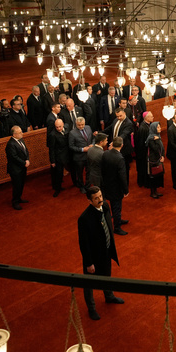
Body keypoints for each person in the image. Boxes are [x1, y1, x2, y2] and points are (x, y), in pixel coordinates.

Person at [76, 186, 124, 320]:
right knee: (89, 284)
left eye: (101, 196)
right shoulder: (84, 219)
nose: (100, 200)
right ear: (89, 201)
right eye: (96, 198)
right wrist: (89, 263)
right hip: (93, 257)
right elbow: (83, 243)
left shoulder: (106, 206)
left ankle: (109, 296)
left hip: (106, 251)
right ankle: (91, 308)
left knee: (107, 275)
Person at [102, 137, 129, 235]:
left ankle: (118, 219)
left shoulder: (105, 153)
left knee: (114, 205)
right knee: (117, 207)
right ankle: (117, 227)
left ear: (112, 144)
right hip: (116, 187)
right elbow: (122, 176)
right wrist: (126, 190)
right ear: (122, 145)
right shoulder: (120, 158)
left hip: (107, 184)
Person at [5, 126, 30, 211]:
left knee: (21, 184)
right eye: (20, 132)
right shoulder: (10, 144)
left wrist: (27, 159)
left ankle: (19, 198)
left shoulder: (21, 140)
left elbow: (26, 150)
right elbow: (14, 157)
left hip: (22, 167)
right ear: (14, 134)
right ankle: (15, 201)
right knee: (17, 186)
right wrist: (24, 163)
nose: (22, 133)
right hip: (15, 169)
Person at [68, 116, 94, 193]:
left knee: (89, 171)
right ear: (76, 124)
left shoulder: (88, 128)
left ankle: (88, 186)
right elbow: (71, 146)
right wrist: (82, 149)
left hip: (89, 155)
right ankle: (81, 186)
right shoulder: (72, 133)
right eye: (79, 125)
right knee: (79, 173)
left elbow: (93, 138)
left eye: (82, 124)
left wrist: (92, 144)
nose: (81, 126)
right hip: (79, 157)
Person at [47, 118, 70, 197]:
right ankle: (57, 189)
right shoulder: (53, 135)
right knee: (58, 174)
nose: (59, 129)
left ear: (63, 125)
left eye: (60, 127)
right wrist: (52, 161)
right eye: (57, 127)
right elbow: (51, 149)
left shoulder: (67, 127)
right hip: (58, 157)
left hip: (67, 154)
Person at [146, 121, 165, 199]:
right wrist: (157, 140)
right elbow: (155, 149)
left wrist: (162, 156)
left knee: (157, 176)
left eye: (160, 127)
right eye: (157, 127)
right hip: (153, 160)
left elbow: (161, 149)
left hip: (158, 158)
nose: (159, 128)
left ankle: (156, 191)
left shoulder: (157, 136)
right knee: (153, 177)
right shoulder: (151, 138)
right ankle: (152, 192)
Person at [135, 110, 153, 187]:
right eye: (151, 116)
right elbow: (141, 143)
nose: (153, 117)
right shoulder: (143, 128)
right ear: (146, 118)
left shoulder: (149, 125)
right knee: (143, 168)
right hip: (143, 153)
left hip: (146, 152)